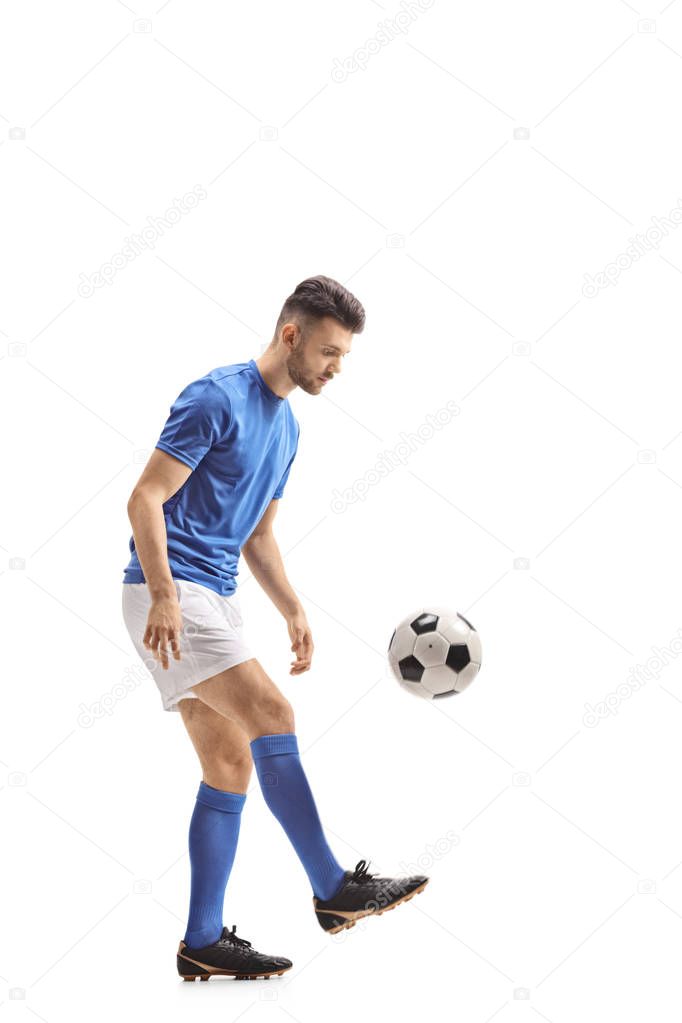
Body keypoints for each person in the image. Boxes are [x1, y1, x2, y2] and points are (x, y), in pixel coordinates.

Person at [121, 275, 429, 982]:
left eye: (343, 355)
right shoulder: (215, 397)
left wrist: (291, 605)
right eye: (327, 350)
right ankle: (332, 887)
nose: (335, 367)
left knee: (228, 764)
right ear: (290, 335)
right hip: (169, 590)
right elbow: (145, 497)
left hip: (213, 595)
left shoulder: (288, 426)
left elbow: (258, 535)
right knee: (274, 713)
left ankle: (202, 940)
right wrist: (165, 593)